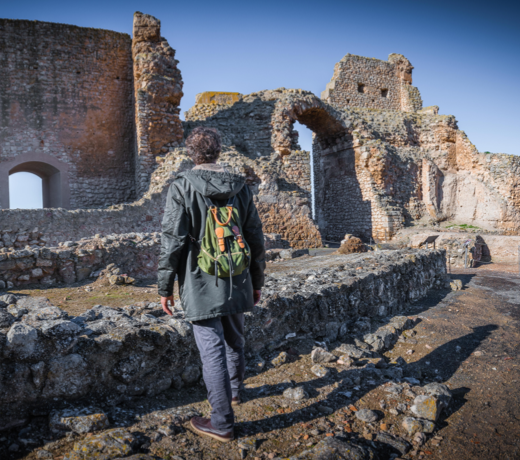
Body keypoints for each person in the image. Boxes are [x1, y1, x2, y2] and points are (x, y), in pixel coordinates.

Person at [158, 126, 266, 443]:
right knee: (234, 338)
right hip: (237, 275)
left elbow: (173, 240)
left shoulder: (182, 186)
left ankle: (221, 423)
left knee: (212, 350)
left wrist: (164, 286)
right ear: (218, 151)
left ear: (192, 154)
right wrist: (256, 281)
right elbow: (255, 237)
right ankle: (233, 394)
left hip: (200, 278)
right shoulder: (240, 186)